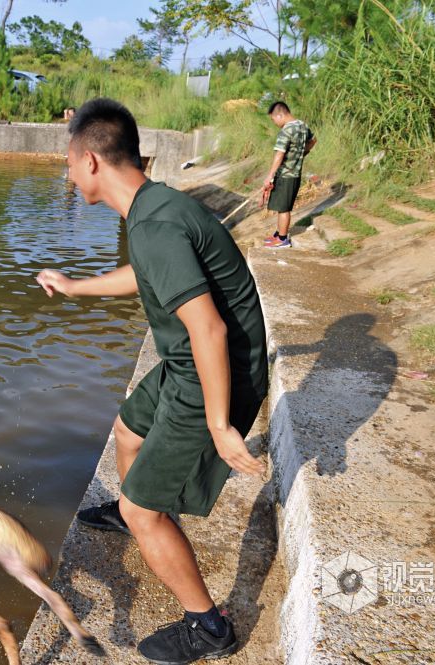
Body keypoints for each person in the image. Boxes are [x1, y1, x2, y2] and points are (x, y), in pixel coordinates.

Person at [35, 98, 268, 664]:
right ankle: (127, 510)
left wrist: (220, 425)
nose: (67, 174)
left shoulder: (156, 225)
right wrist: (72, 287)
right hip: (185, 361)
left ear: (91, 160)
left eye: (68, 162)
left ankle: (209, 625)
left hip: (213, 371)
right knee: (127, 429)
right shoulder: (151, 208)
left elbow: (208, 329)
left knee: (148, 511)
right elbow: (144, 276)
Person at [260, 101, 316, 249]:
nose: (274, 123)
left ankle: (283, 239)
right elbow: (313, 140)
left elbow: (279, 154)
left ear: (280, 115)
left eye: (273, 119)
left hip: (286, 175)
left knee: (284, 208)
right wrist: (302, 154)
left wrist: (269, 176)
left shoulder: (286, 130)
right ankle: (278, 234)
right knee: (280, 206)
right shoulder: (302, 125)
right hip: (294, 174)